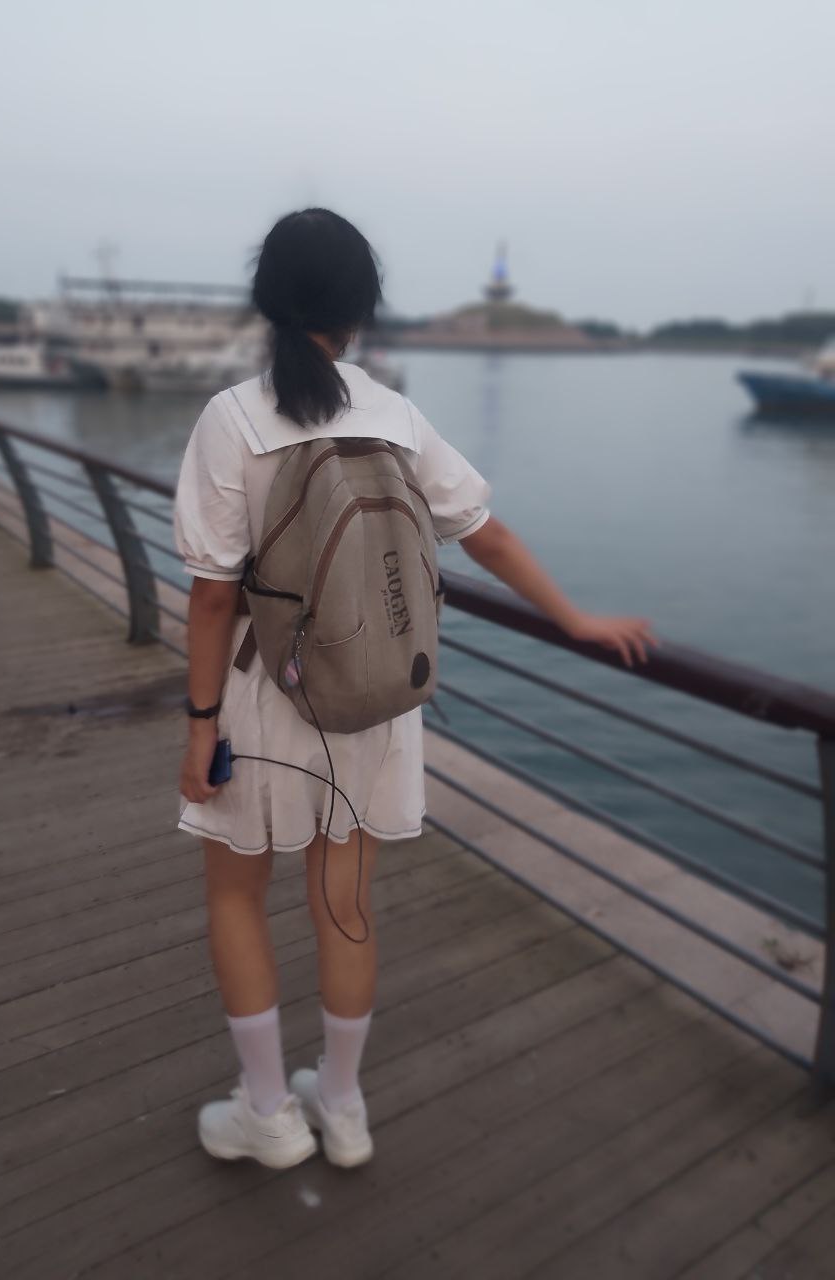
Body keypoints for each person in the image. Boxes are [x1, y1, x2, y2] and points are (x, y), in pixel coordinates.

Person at [174, 208, 658, 1171]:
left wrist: (198, 728)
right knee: (345, 902)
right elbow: (487, 534)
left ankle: (268, 1113)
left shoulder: (233, 417)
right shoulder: (392, 413)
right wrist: (573, 619)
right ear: (360, 308)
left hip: (265, 698)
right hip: (374, 701)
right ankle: (344, 1106)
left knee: (236, 893)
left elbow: (214, 594)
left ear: (268, 301)